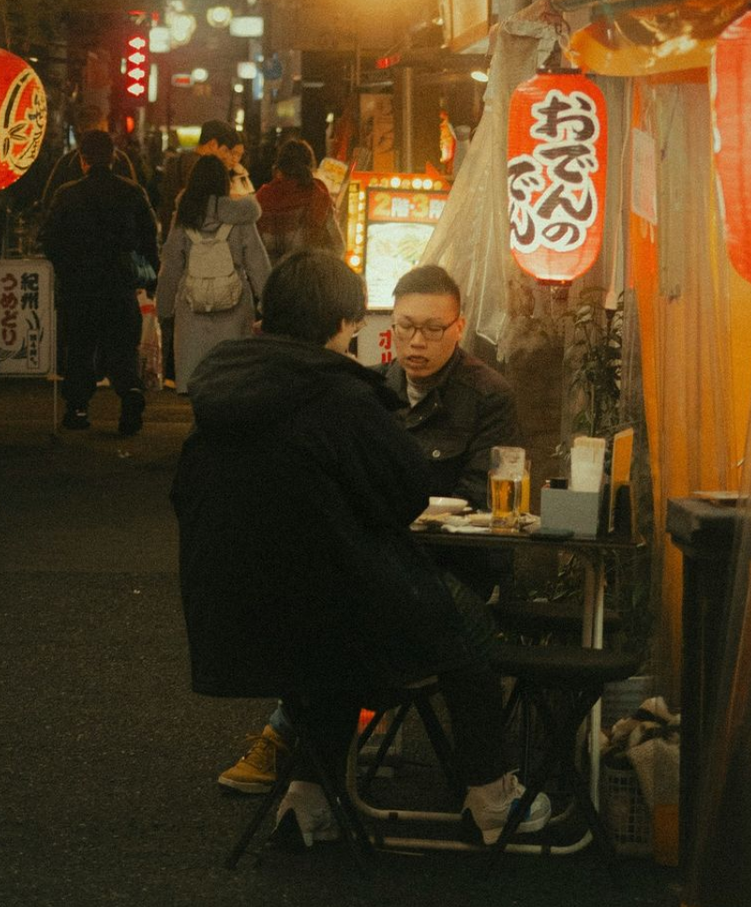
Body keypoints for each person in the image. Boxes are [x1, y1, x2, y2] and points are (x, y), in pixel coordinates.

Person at [173, 250, 552, 847]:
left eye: (431, 328)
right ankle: (491, 797)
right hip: (344, 599)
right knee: (463, 626)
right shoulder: (340, 395)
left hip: (234, 611)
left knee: (332, 635)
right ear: (345, 322)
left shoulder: (220, 392)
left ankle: (307, 797)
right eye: (396, 326)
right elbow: (401, 493)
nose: (410, 341)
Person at [40, 127, 160, 434]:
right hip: (119, 284)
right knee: (122, 349)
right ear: (113, 157)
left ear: (82, 159)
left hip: (79, 285)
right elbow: (149, 238)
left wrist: (66, 267)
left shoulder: (67, 194)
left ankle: (77, 408)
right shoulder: (132, 191)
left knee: (80, 347)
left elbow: (49, 239)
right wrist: (151, 275)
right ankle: (130, 395)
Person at [381, 265, 518, 510]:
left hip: (450, 543)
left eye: (433, 329)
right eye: (405, 326)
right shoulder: (370, 389)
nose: (417, 342)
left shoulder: (489, 396)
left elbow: (478, 497)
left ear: (459, 328)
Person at [154, 152, 269, 395]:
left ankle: (201, 426)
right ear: (224, 184)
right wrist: (270, 305)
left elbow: (171, 264)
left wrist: (163, 308)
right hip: (235, 308)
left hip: (191, 308)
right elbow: (258, 263)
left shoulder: (184, 218)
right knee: (231, 380)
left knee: (197, 378)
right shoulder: (241, 218)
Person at [253, 136, 343, 259]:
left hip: (272, 276)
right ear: (310, 166)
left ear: (279, 166)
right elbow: (338, 247)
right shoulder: (318, 195)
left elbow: (253, 250)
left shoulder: (262, 197)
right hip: (308, 274)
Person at [158, 118, 248, 231]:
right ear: (213, 144)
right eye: (225, 150)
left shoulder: (181, 161)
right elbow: (208, 207)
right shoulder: (202, 168)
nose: (227, 157)